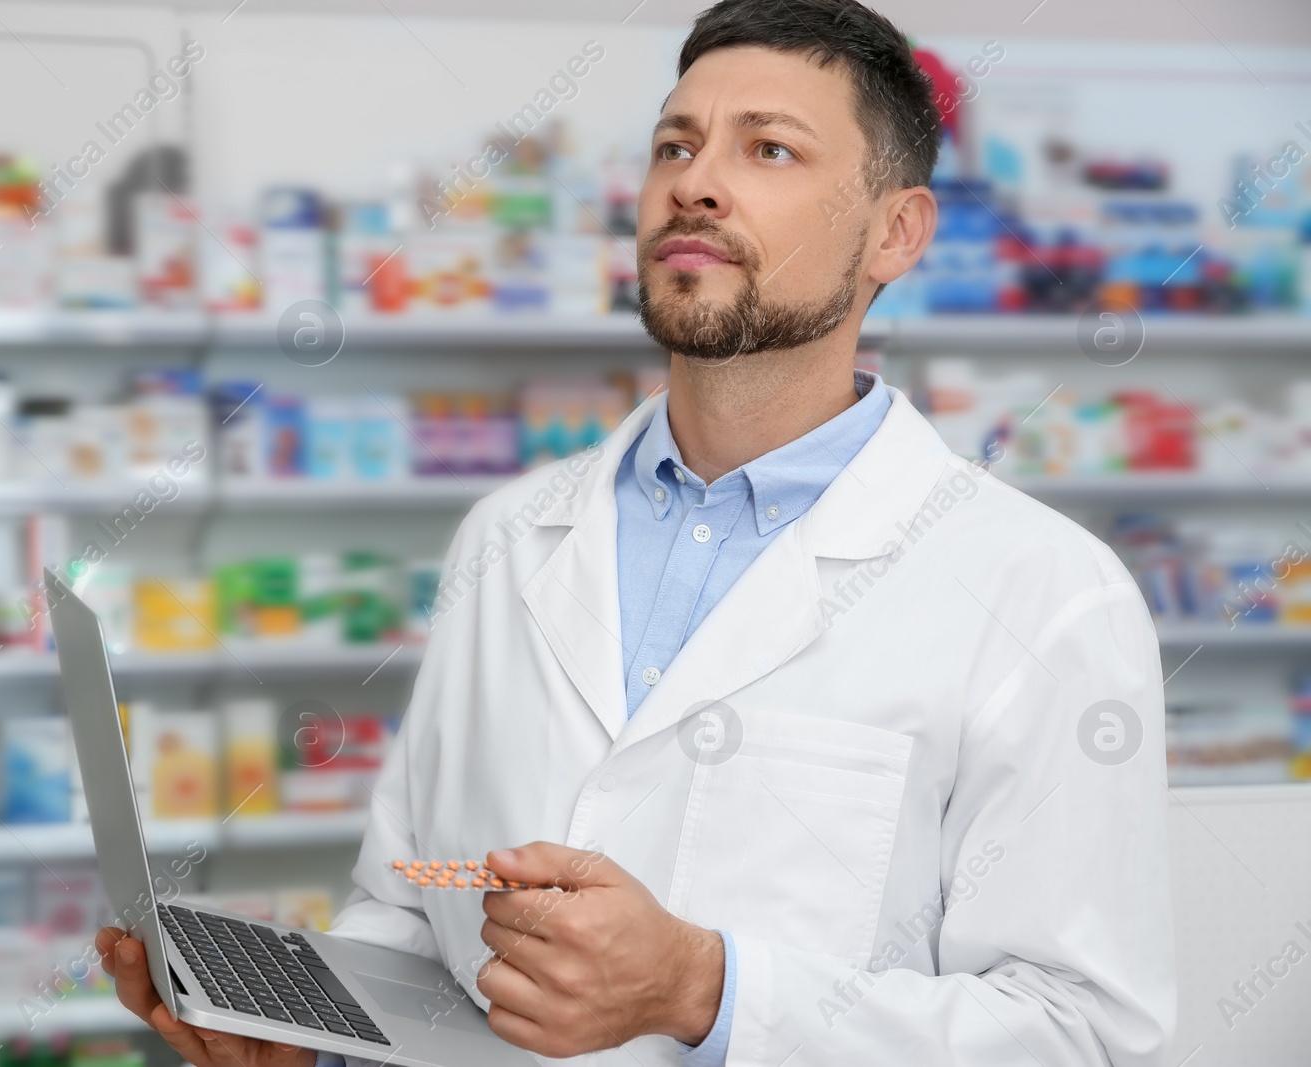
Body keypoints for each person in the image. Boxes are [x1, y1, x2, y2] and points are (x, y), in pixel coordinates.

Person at [97, 1, 1176, 1063]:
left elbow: (1082, 1032)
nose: (695, 181)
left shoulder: (1040, 591)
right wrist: (315, 1036)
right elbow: (418, 898)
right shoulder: (508, 533)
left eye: (768, 148)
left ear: (894, 232)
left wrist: (705, 990)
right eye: (675, 142)